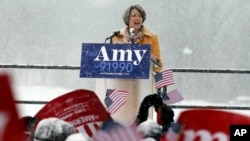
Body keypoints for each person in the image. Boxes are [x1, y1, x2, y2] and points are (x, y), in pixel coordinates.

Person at [96, 4, 163, 125]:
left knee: (140, 114)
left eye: (140, 16)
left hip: (142, 84)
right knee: (121, 116)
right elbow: (111, 60)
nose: (137, 18)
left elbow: (159, 65)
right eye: (134, 16)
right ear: (127, 18)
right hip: (122, 84)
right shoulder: (117, 36)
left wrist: (150, 57)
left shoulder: (152, 37)